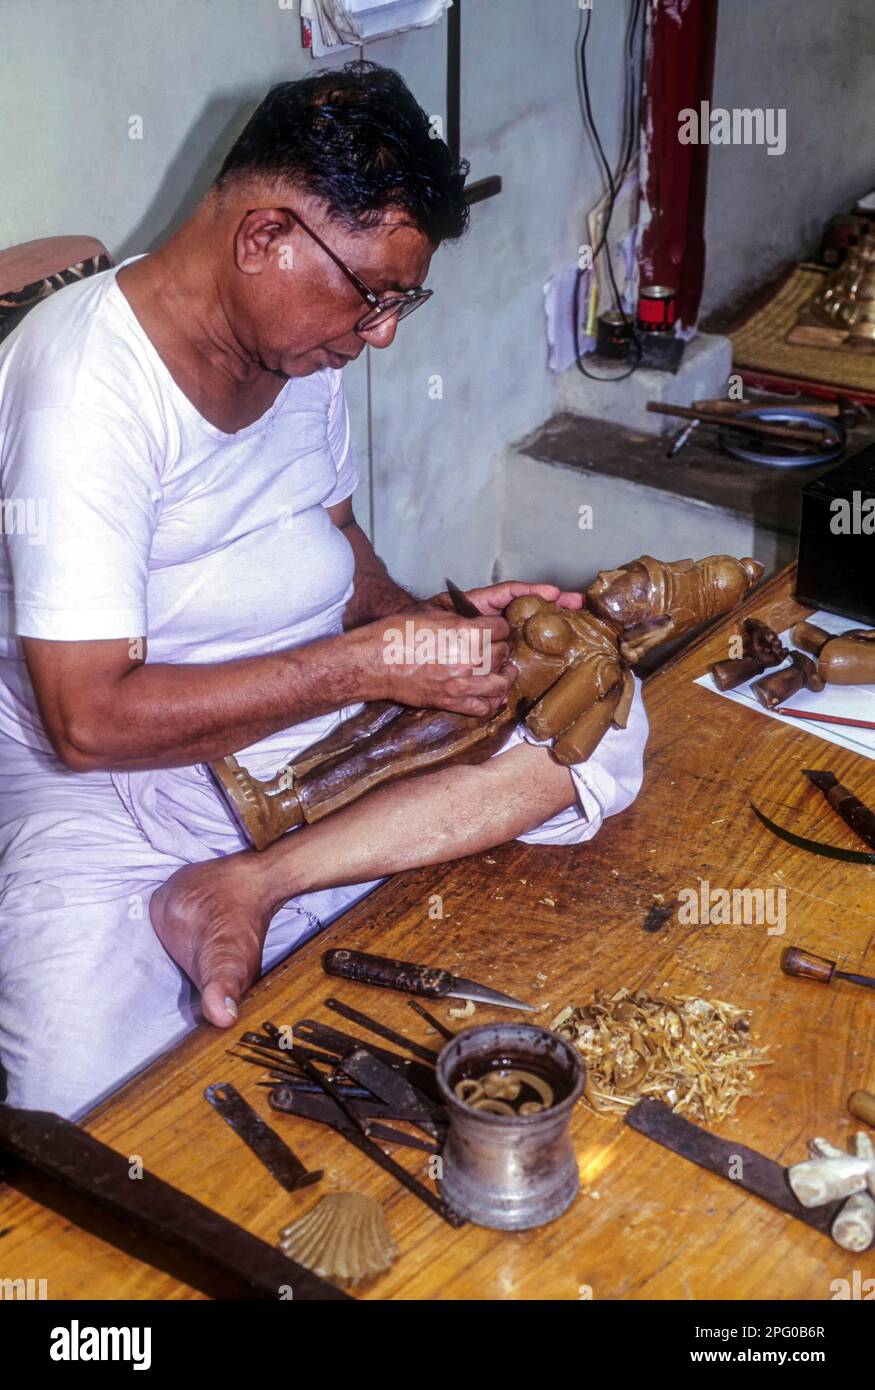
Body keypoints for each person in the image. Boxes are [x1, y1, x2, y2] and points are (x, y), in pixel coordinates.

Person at [0, 64, 647, 1119]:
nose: (382, 332)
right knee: (85, 1097)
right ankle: (271, 881)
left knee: (599, 699)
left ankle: (255, 884)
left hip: (304, 736)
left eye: (402, 299)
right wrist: (370, 667)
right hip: (111, 788)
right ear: (263, 238)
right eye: (373, 295)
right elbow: (87, 721)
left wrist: (429, 628)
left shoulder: (303, 349)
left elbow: (338, 542)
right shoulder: (82, 387)